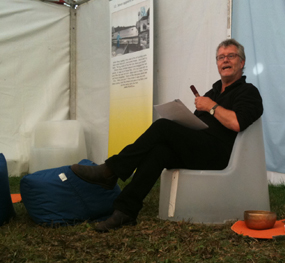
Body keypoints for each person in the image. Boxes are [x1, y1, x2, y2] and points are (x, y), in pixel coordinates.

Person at [71, 38, 263, 232]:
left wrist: (211, 107)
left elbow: (237, 123)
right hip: (199, 148)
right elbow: (195, 125)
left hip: (220, 154)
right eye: (221, 57)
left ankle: (110, 171)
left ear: (242, 62)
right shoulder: (211, 93)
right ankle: (125, 211)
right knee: (159, 152)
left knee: (163, 126)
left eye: (231, 56)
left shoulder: (248, 92)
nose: (225, 61)